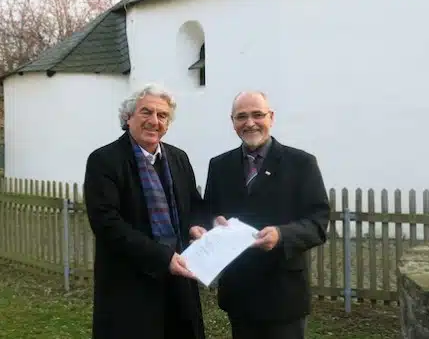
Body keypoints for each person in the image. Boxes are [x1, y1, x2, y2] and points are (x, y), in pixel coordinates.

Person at [190, 91, 331, 339]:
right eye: (241, 116)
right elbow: (209, 211)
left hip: (283, 294)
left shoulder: (301, 164)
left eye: (257, 115)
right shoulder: (220, 165)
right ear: (232, 122)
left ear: (271, 117)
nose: (250, 123)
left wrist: (281, 235)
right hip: (239, 292)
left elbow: (318, 223)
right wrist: (210, 224)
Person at [83, 84, 206, 339]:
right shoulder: (104, 160)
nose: (154, 121)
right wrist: (162, 257)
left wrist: (196, 225)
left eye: (162, 116)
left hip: (179, 282)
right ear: (128, 117)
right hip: (130, 285)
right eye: (146, 112)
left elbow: (194, 205)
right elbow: (107, 224)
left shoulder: (178, 158)